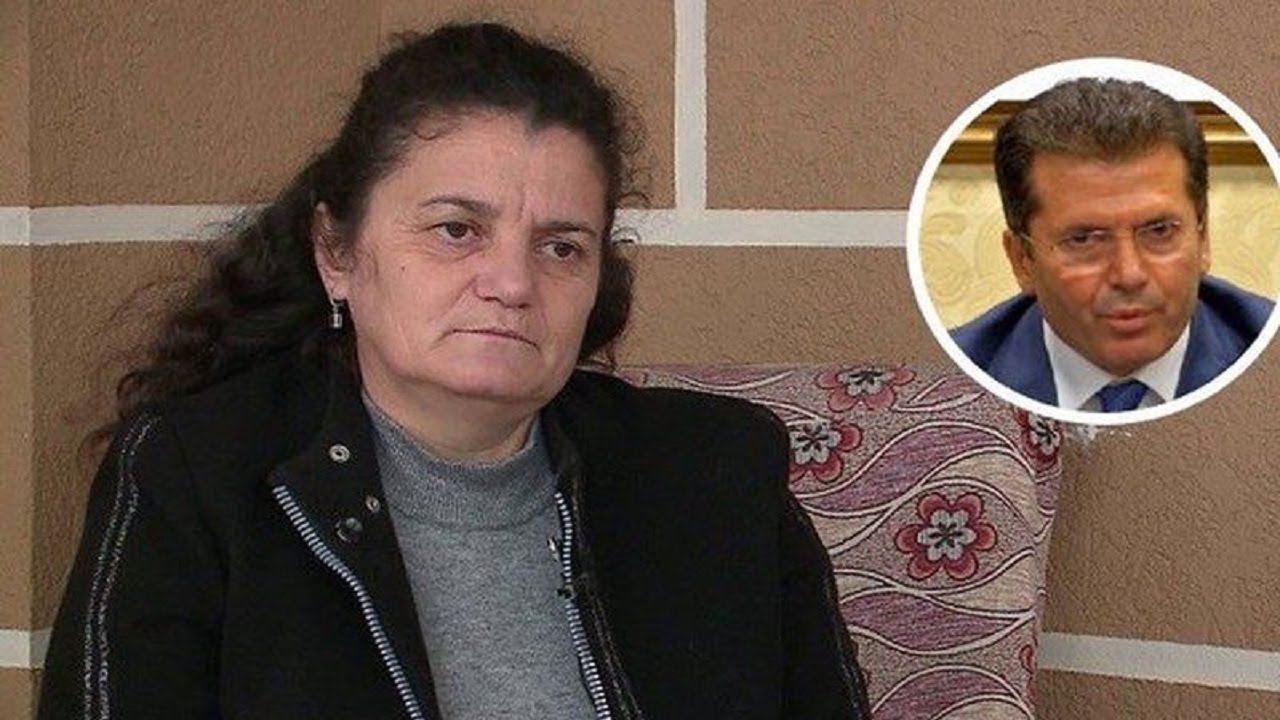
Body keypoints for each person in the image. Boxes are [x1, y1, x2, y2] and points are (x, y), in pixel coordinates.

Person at [38, 22, 871, 719]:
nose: (512, 283)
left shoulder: (718, 474)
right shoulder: (196, 474)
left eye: (560, 247)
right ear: (336, 253)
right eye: (456, 230)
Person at [951, 78, 1274, 412]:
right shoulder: (954, 381)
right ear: (1022, 260)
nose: (1129, 275)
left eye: (1160, 230)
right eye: (1083, 239)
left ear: (1202, 238)